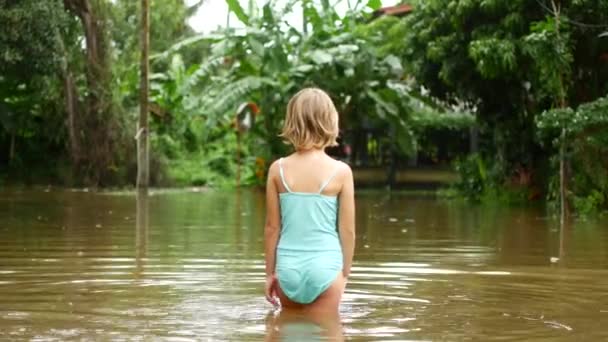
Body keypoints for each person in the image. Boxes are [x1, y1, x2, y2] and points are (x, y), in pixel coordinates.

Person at [264, 88, 356, 315]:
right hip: (326, 266)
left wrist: (269, 274)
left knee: (286, 332)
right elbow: (347, 230)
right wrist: (344, 272)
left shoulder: (278, 169)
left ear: (292, 122)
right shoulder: (341, 172)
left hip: (288, 269)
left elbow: (272, 228)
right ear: (330, 121)